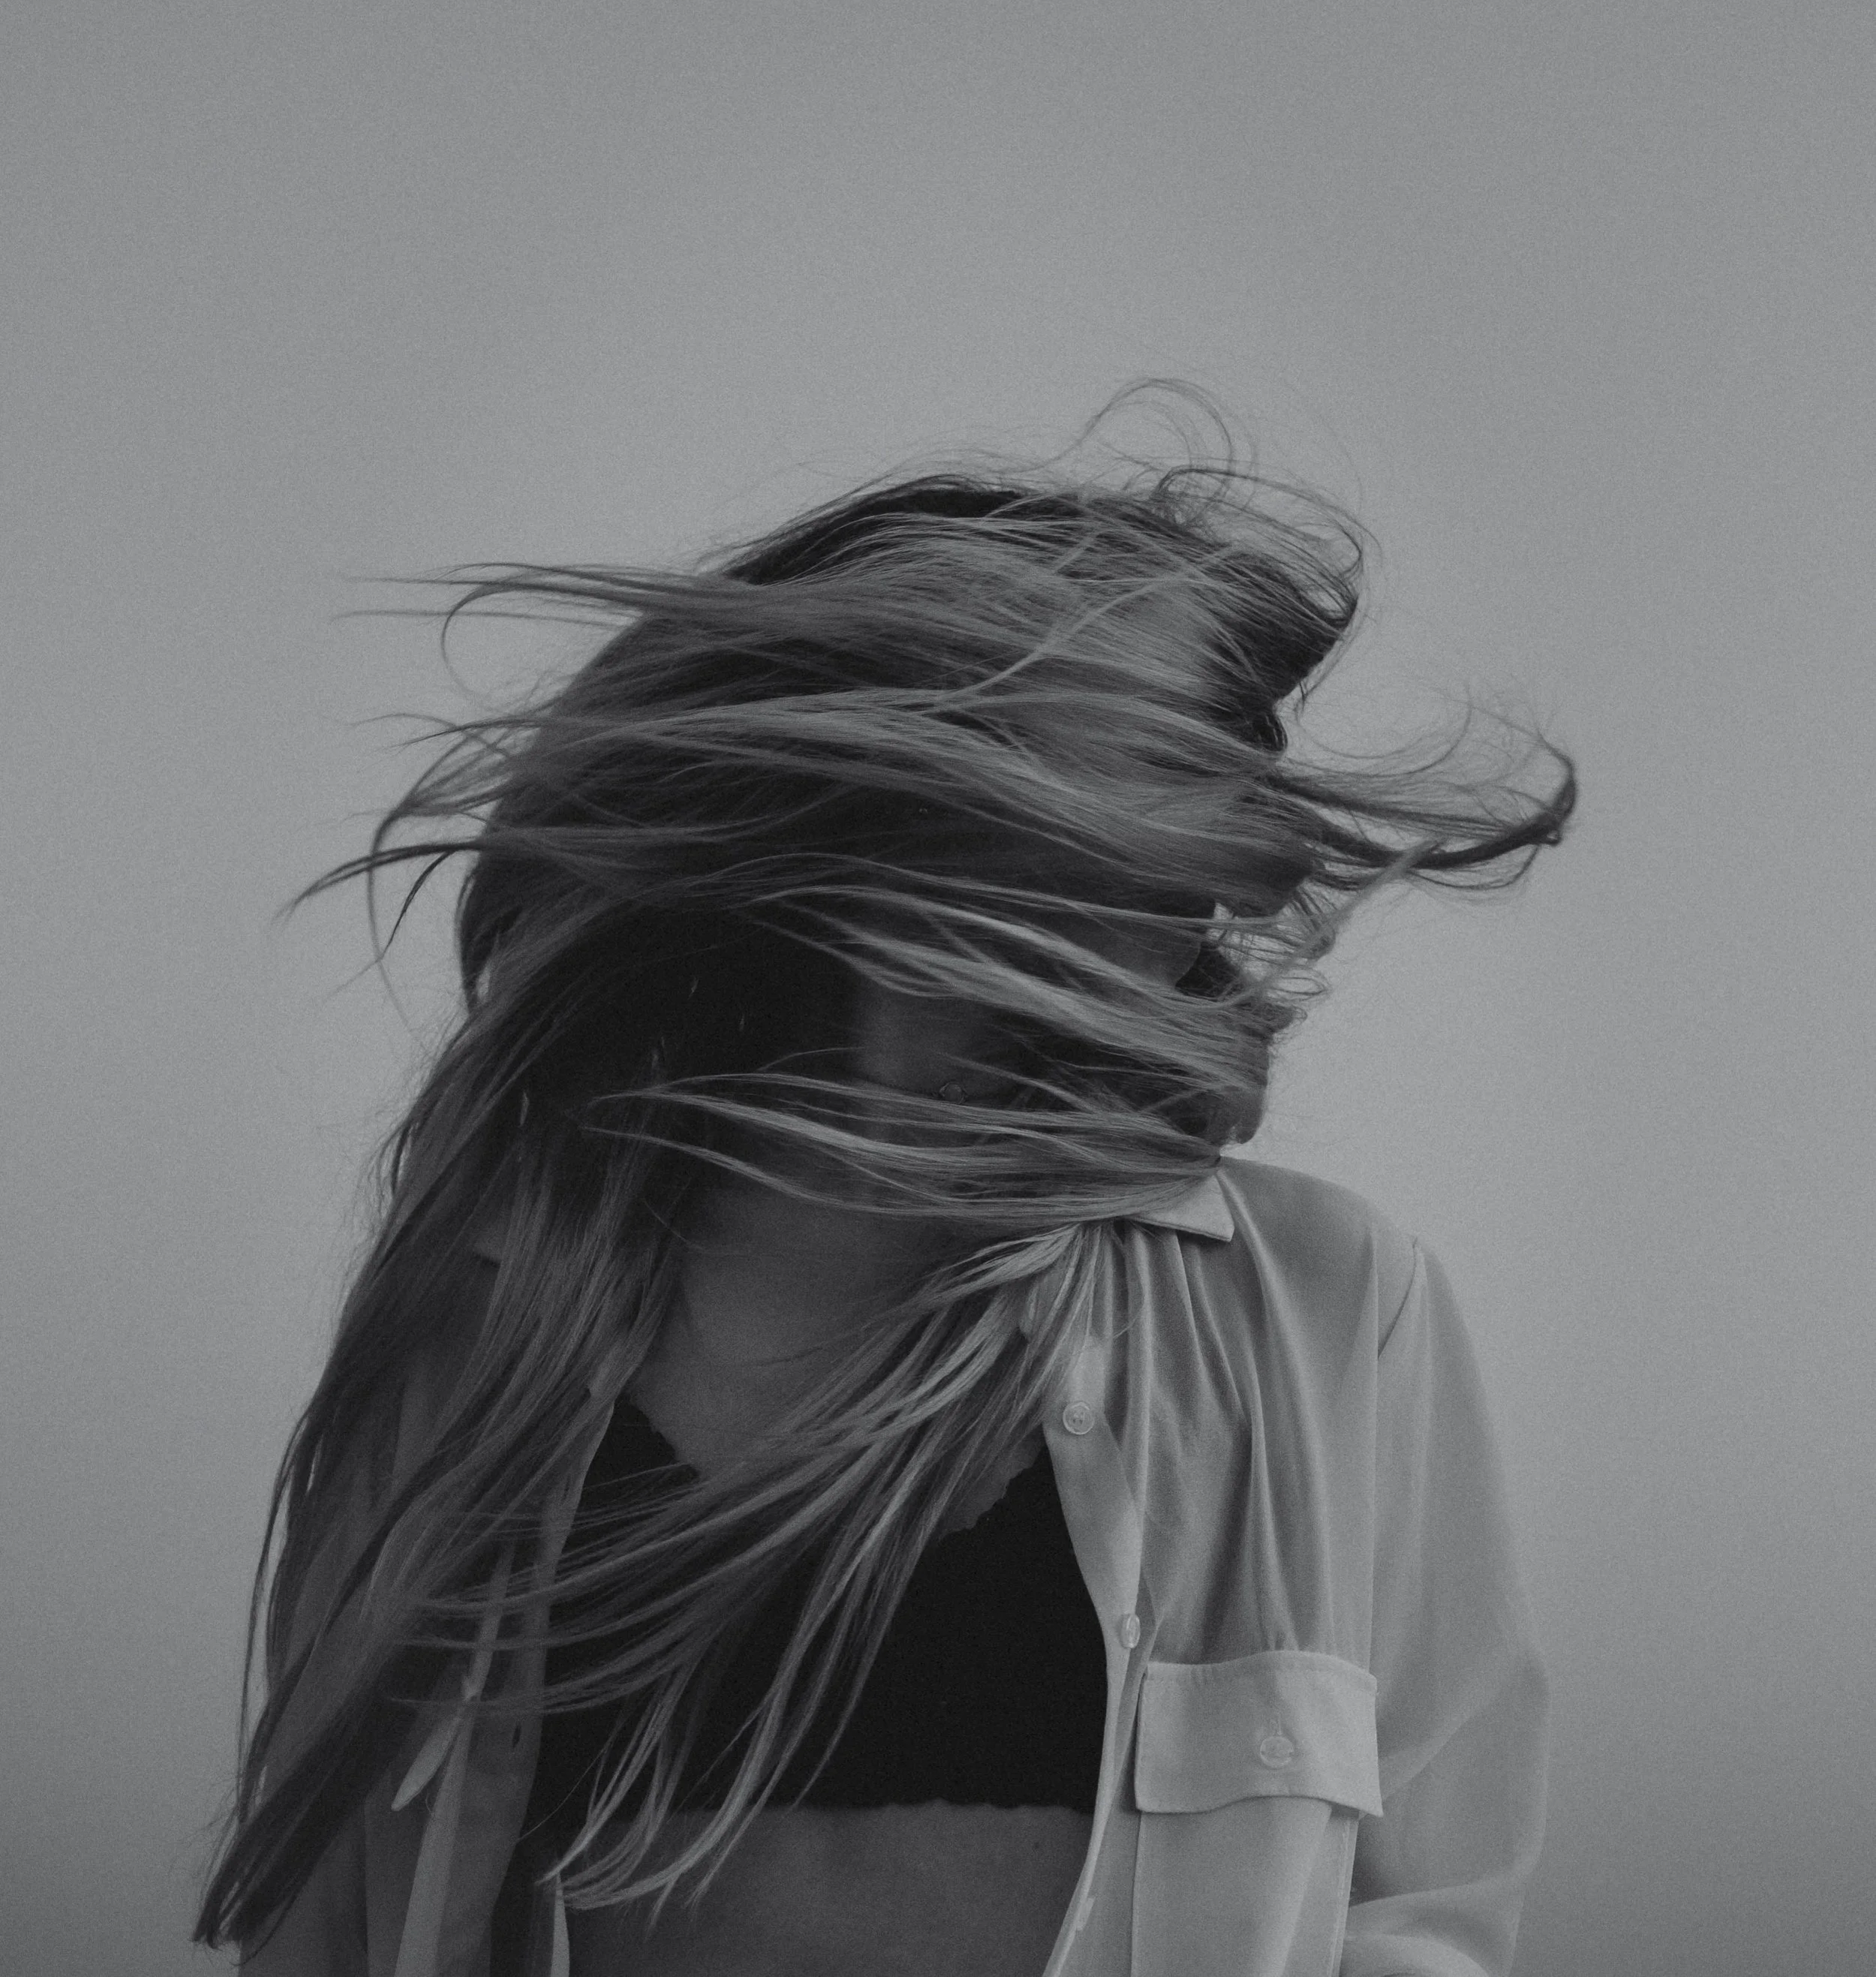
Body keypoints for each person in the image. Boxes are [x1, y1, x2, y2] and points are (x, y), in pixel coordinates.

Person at [195, 411, 1575, 1976]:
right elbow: (319, 1937)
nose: (1209, 919)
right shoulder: (488, 1320)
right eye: (1153, 826)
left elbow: (1426, 1917)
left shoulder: (1326, 1303)